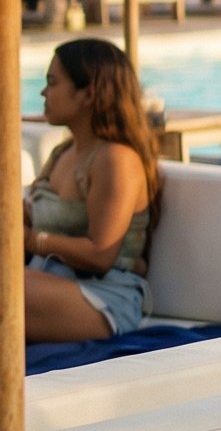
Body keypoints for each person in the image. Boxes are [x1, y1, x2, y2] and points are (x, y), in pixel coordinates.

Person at [24, 39, 159, 342]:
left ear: (88, 93)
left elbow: (101, 255)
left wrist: (31, 240)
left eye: (52, 82)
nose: (43, 92)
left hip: (103, 296)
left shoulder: (115, 159)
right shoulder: (64, 152)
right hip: (49, 281)